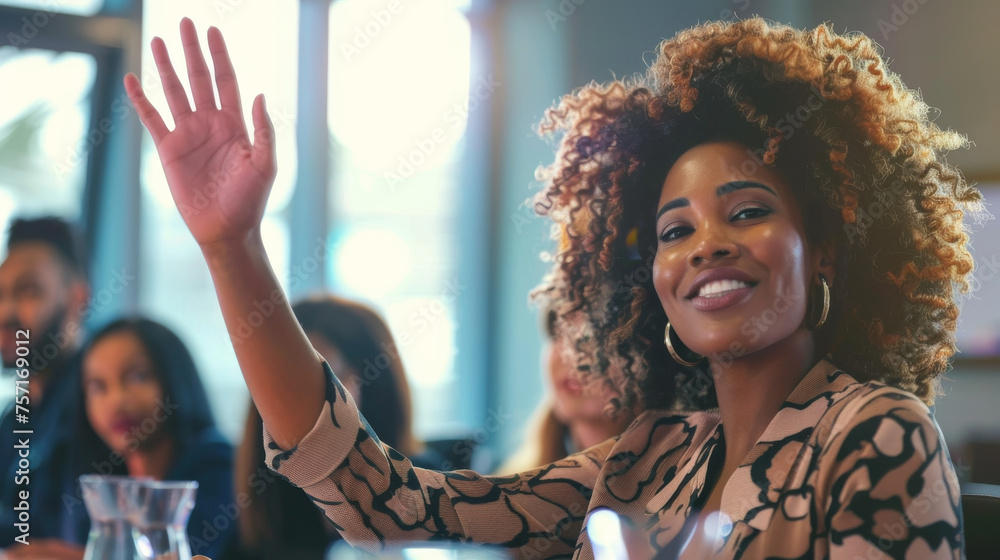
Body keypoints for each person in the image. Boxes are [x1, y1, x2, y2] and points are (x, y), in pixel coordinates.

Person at [124, 16, 975, 558]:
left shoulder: (874, 433)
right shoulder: (651, 459)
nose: (707, 246)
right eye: (675, 229)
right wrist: (233, 248)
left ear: (824, 249)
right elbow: (379, 501)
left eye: (746, 212)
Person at [225, 294, 441, 559]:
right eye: (291, 380)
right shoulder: (262, 487)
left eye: (323, 379)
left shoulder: (421, 483)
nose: (300, 399)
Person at [0, 217, 89, 547]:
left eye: (28, 290)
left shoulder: (100, 414)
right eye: (0, 293)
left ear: (77, 299)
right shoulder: (15, 419)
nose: (6, 313)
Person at [496, 304, 635, 474]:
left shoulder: (666, 488)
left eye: (591, 336)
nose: (566, 354)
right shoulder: (512, 484)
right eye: (556, 332)